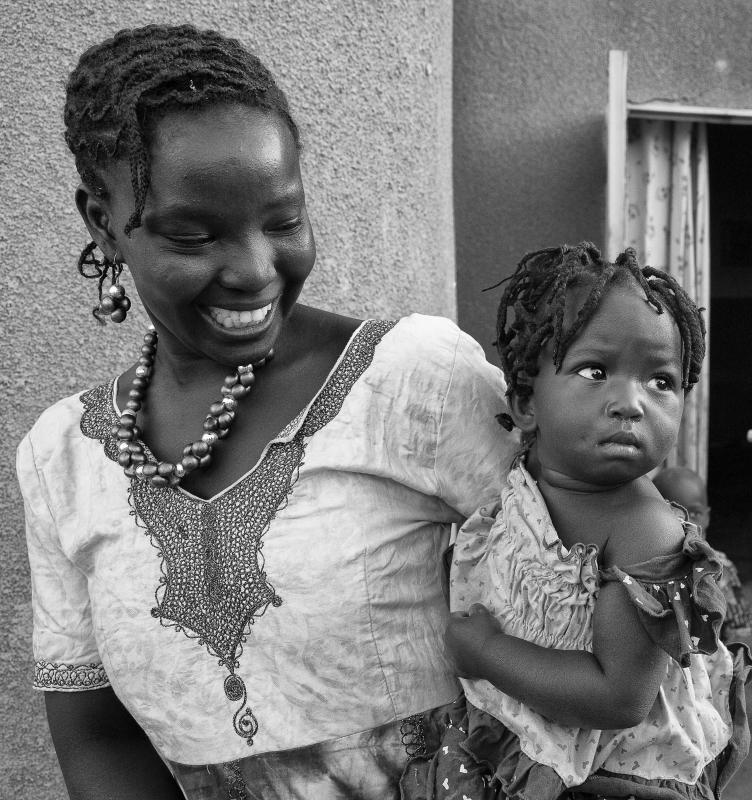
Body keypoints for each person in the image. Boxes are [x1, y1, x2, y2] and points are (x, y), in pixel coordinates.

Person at [18, 25, 519, 799]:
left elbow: (584, 588)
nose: (255, 270)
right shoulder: (62, 457)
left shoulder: (415, 380)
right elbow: (97, 734)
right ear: (102, 224)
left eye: (282, 221)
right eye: (194, 234)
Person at [417, 244, 752, 800]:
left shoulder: (643, 533)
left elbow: (619, 698)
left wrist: (485, 654)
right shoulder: (526, 479)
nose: (631, 402)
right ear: (526, 404)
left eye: (661, 382)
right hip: (536, 742)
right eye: (595, 371)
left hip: (614, 781)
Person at [652, 467, 752, 643]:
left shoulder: (719, 567)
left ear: (707, 517)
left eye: (694, 514)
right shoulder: (646, 568)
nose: (687, 524)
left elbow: (740, 631)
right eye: (674, 514)